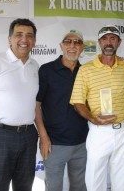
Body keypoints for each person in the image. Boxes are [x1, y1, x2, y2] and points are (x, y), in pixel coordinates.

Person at [0, 18, 44, 191]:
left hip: (28, 136)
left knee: (24, 187)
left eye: (29, 36)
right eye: (19, 34)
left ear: (34, 41)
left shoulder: (35, 66)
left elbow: (35, 104)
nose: (24, 39)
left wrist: (42, 135)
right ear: (9, 39)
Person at [70, 25, 124, 191]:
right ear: (99, 42)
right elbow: (78, 102)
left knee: (121, 178)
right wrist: (92, 118)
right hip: (99, 131)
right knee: (95, 178)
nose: (109, 42)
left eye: (113, 38)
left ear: (119, 42)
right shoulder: (86, 69)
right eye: (105, 39)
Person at [35, 30, 88, 191]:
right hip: (54, 144)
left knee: (79, 187)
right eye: (68, 41)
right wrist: (43, 137)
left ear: (82, 48)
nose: (72, 46)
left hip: (82, 143)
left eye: (77, 42)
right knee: (54, 187)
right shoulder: (46, 70)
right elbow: (36, 105)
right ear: (61, 46)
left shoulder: (87, 71)